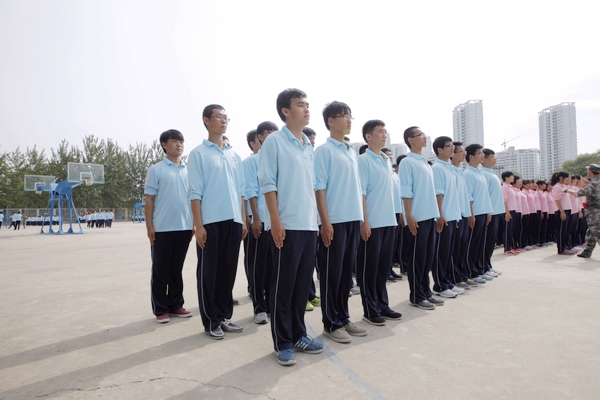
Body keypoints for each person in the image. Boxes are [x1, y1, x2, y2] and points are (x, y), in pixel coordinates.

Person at [258, 88, 324, 366]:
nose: (306, 109)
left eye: (307, 104)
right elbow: (268, 183)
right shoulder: (274, 142)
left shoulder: (307, 146)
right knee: (282, 287)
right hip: (286, 225)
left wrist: (317, 222)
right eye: (300, 104)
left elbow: (311, 188)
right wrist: (275, 220)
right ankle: (283, 342)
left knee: (301, 287)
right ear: (285, 111)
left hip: (308, 225)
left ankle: (299, 334)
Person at [188, 104, 248, 339]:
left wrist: (243, 220)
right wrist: (199, 225)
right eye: (218, 117)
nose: (223, 121)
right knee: (209, 274)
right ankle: (210, 320)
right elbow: (194, 192)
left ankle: (224, 316)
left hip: (233, 221)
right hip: (211, 222)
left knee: (227, 272)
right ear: (206, 120)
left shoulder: (234, 156)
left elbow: (240, 191)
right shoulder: (198, 154)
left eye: (226, 118)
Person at [315, 101, 368, 343]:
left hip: (351, 219)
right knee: (331, 274)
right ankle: (331, 323)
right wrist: (325, 222)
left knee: (346, 275)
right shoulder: (324, 151)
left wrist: (361, 219)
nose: (348, 120)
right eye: (343, 116)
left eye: (350, 116)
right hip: (334, 221)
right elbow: (319, 188)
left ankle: (343, 318)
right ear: (330, 121)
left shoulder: (350, 151)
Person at [144, 129, 194, 324]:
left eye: (181, 141)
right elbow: (149, 199)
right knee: (160, 270)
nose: (179, 144)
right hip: (163, 228)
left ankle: (175, 304)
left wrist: (195, 223)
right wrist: (149, 226)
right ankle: (160, 309)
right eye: (174, 141)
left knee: (176, 269)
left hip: (185, 227)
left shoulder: (189, 170)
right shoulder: (156, 169)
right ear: (164, 145)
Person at [357, 120, 403, 321]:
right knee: (370, 268)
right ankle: (370, 310)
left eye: (385, 131)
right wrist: (364, 221)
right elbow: (361, 193)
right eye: (380, 132)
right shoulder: (363, 160)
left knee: (383, 268)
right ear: (368, 136)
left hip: (389, 221)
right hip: (372, 223)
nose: (384, 135)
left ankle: (383, 305)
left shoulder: (385, 160)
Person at [400, 127, 443, 310]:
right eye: (420, 135)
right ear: (411, 140)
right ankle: (416, 296)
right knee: (417, 259)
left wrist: (437, 215)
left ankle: (426, 292)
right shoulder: (407, 162)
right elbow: (406, 190)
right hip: (417, 218)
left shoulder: (425, 162)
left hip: (429, 216)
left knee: (427, 258)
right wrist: (408, 215)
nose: (425, 138)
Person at [244, 121, 278, 325]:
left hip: (277, 222)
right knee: (258, 266)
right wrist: (255, 219)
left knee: (275, 267)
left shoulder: (279, 159)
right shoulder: (252, 161)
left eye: (275, 132)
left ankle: (272, 304)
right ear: (260, 137)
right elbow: (250, 191)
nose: (273, 135)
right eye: (269, 132)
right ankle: (259, 307)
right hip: (261, 221)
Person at [431, 136, 463, 298]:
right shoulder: (437, 168)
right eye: (449, 146)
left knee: (448, 252)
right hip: (444, 217)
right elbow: (438, 193)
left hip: (452, 216)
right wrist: (440, 215)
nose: (452, 148)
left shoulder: (450, 168)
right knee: (441, 253)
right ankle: (440, 285)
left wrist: (455, 217)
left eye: (452, 146)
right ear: (439, 150)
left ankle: (447, 282)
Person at [463, 144, 493, 283]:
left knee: (480, 244)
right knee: (473, 244)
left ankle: (479, 269)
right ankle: (471, 272)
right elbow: (468, 196)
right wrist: (471, 214)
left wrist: (488, 212)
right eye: (479, 153)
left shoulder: (479, 172)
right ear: (471, 156)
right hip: (475, 213)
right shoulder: (468, 173)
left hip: (483, 212)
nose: (482, 156)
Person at [450, 143, 475, 289]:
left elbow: (466, 196)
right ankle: (456, 277)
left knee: (462, 248)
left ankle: (462, 275)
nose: (463, 154)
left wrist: (470, 213)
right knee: (455, 249)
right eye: (460, 151)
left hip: (464, 214)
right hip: (456, 214)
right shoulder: (451, 171)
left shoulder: (460, 172)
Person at [565, 164, 600, 258]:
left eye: (588, 170)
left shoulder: (594, 183)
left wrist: (567, 190)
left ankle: (587, 252)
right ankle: (587, 252)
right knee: (590, 232)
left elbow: (579, 193)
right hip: (596, 210)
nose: (587, 171)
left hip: (595, 211)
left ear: (591, 171)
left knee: (596, 232)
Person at [480, 149, 503, 277]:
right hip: (490, 212)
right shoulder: (483, 174)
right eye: (492, 157)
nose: (495, 159)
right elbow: (485, 195)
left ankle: (488, 265)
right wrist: (488, 211)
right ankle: (484, 267)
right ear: (484, 159)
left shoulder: (491, 173)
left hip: (496, 211)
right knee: (486, 242)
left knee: (491, 242)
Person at [501, 172, 517, 254]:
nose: (513, 177)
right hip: (508, 210)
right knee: (507, 229)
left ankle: (511, 247)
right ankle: (507, 248)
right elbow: (504, 200)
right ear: (506, 177)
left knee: (511, 229)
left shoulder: (510, 187)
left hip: (513, 210)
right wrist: (507, 212)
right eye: (511, 176)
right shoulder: (504, 187)